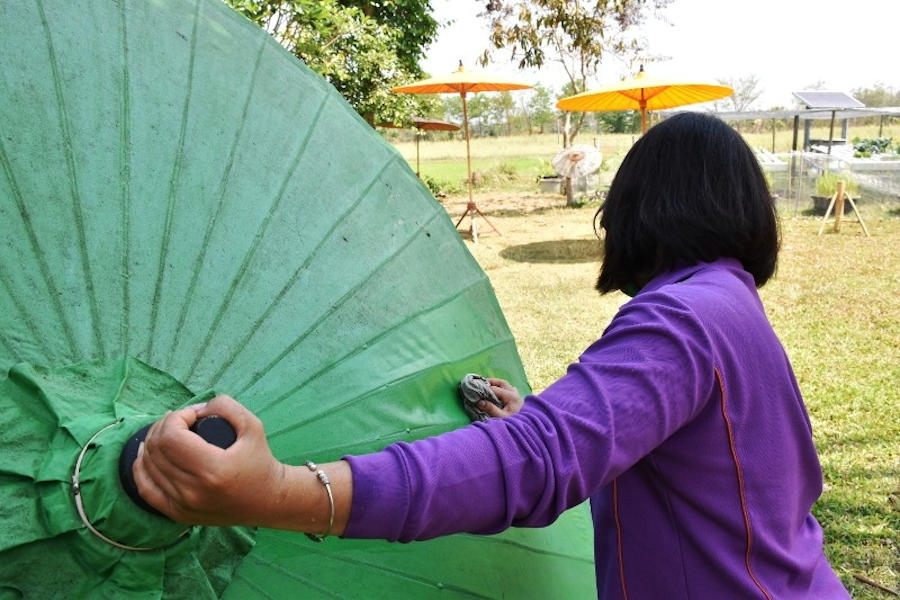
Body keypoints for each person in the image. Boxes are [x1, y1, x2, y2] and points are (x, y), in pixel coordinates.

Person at [134, 112, 849, 598]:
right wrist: (534, 414)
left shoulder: (682, 318)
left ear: (634, 213)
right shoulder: (730, 304)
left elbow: (539, 462)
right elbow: (682, 462)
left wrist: (281, 493)